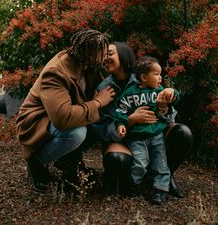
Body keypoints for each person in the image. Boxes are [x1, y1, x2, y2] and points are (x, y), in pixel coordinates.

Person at [16, 28, 116, 193]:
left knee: (95, 120)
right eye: (103, 53)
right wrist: (97, 102)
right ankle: (37, 162)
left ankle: (69, 161)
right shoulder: (55, 72)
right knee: (77, 132)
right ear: (90, 53)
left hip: (59, 119)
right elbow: (63, 118)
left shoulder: (88, 65)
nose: (106, 57)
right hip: (36, 123)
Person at [91, 42, 193, 198]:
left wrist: (164, 107)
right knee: (117, 160)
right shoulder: (103, 89)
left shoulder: (145, 76)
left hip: (152, 133)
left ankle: (165, 177)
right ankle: (132, 183)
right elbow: (103, 131)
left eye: (110, 53)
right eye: (103, 55)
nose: (105, 57)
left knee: (183, 132)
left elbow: (168, 115)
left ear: (124, 54)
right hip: (124, 139)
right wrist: (130, 120)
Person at [115, 56, 180, 204]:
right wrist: (121, 124)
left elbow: (174, 98)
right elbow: (121, 111)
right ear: (144, 77)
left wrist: (171, 92)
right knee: (140, 163)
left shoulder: (160, 91)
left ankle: (161, 190)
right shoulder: (130, 93)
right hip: (137, 138)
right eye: (156, 74)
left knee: (160, 163)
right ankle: (134, 186)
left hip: (157, 136)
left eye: (160, 74)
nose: (160, 77)